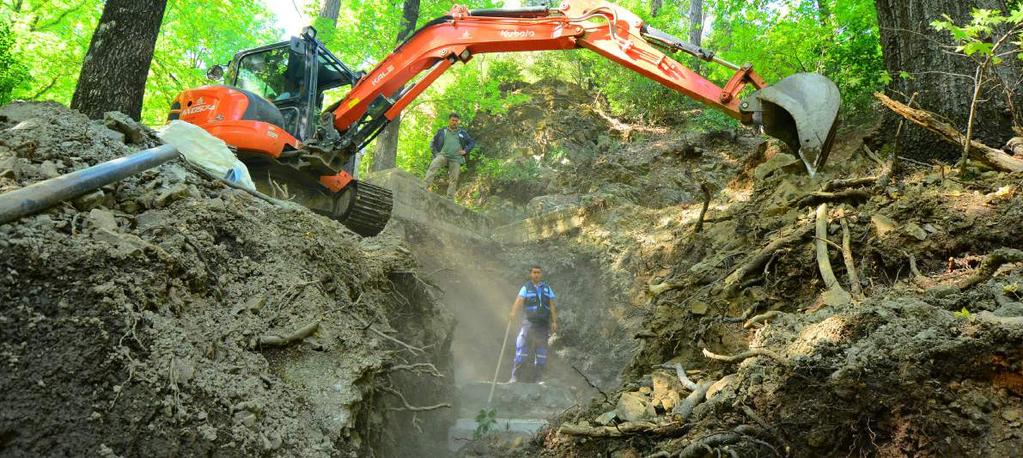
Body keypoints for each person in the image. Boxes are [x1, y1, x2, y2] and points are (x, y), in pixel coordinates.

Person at [507, 265, 559, 384]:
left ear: (541, 274)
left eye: (538, 272)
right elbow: (519, 300)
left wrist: (554, 321)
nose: (536, 274)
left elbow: (551, 305)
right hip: (529, 323)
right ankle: (515, 377)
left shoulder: (547, 288)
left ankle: (539, 379)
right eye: (534, 272)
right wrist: (512, 313)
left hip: (543, 324)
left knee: (541, 352)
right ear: (531, 274)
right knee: (522, 347)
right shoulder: (526, 287)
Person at [424, 113, 475, 198]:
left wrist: (465, 150)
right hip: (443, 155)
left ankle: (450, 198)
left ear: (458, 122)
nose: (454, 122)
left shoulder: (462, 133)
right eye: (453, 120)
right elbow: (432, 143)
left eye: (456, 121)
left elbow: (471, 142)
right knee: (433, 166)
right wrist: (436, 154)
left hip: (456, 158)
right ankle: (424, 186)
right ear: (449, 121)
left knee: (454, 178)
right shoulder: (442, 131)